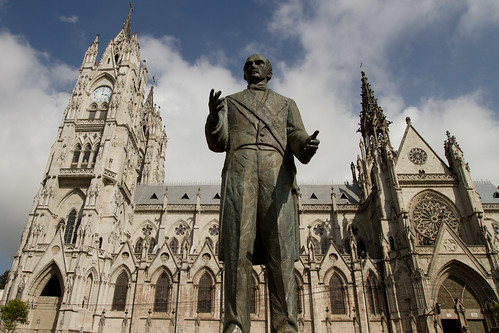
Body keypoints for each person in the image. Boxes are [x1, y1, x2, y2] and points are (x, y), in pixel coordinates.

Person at [206, 54, 319, 333]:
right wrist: (213, 117)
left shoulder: (286, 104)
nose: (253, 66)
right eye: (248, 64)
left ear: (269, 72)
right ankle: (235, 324)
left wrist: (306, 145)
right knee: (237, 252)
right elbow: (218, 142)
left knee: (281, 253)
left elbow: (296, 135)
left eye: (259, 63)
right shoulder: (230, 102)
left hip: (276, 176)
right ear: (244, 73)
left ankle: (286, 326)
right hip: (240, 174)